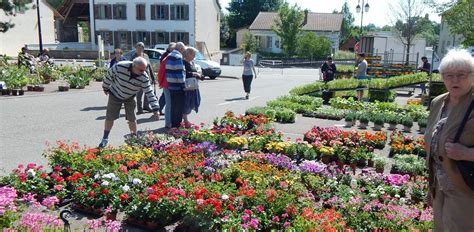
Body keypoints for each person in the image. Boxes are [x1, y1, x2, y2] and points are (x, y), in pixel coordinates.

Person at [424, 48, 474, 231]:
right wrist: (431, 183)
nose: (455, 80)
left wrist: (467, 153)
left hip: (466, 187)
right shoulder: (438, 102)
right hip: (440, 185)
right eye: (449, 75)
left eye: (461, 75)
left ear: (472, 76)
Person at [99, 57, 160, 148]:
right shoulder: (119, 67)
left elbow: (149, 92)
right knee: (110, 117)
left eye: (144, 70)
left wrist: (155, 108)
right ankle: (105, 138)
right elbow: (109, 75)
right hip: (115, 93)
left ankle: (134, 139)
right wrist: (105, 87)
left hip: (130, 96)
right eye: (141, 70)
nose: (143, 72)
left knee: (132, 118)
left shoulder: (143, 76)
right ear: (134, 66)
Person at [129, 42, 156, 114]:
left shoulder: (146, 56)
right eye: (138, 48)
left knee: (148, 93)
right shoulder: (133, 57)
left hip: (147, 77)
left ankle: (146, 106)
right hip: (138, 78)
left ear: (143, 49)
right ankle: (140, 109)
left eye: (141, 48)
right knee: (139, 94)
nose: (139, 49)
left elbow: (150, 67)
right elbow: (130, 68)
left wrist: (153, 78)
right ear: (136, 48)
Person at [165, 42, 187, 128]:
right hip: (178, 86)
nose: (184, 52)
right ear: (181, 49)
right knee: (179, 107)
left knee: (173, 106)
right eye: (183, 50)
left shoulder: (169, 55)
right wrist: (183, 85)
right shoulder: (178, 57)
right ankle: (177, 126)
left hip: (170, 84)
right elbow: (179, 73)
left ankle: (173, 126)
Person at [182, 47, 203, 127]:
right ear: (188, 54)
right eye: (193, 54)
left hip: (194, 86)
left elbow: (195, 72)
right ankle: (185, 120)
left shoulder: (192, 63)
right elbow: (185, 73)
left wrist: (200, 75)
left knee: (195, 102)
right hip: (187, 87)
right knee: (187, 103)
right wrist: (194, 74)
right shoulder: (183, 63)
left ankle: (185, 119)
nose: (194, 56)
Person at [157, 42, 176, 128]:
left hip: (168, 83)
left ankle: (169, 120)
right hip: (167, 83)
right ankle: (168, 123)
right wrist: (160, 83)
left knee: (168, 101)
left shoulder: (167, 56)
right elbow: (161, 72)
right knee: (168, 103)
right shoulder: (166, 57)